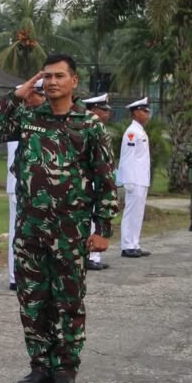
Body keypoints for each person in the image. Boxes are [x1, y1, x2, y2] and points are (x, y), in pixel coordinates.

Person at [0, 53, 118, 383]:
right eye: (47, 77)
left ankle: (65, 367)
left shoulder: (89, 125)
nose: (52, 82)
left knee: (68, 301)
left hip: (70, 231)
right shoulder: (28, 119)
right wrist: (19, 92)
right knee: (33, 299)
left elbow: (105, 179)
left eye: (59, 76)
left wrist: (103, 228)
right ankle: (39, 364)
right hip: (30, 230)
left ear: (74, 82)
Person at [7, 79, 46, 290]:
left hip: (34, 189)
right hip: (18, 186)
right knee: (17, 233)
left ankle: (27, 273)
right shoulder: (20, 121)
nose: (41, 99)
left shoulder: (38, 121)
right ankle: (15, 275)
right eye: (38, 94)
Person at [82, 93, 115, 269]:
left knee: (96, 217)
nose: (107, 114)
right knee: (86, 218)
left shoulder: (100, 129)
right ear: (93, 110)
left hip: (100, 179)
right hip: (89, 181)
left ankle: (93, 256)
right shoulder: (83, 128)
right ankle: (88, 256)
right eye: (103, 110)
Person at [117, 98, 152, 257]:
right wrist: (128, 179)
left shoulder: (140, 131)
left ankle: (134, 243)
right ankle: (126, 245)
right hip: (134, 179)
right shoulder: (132, 132)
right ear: (136, 112)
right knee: (131, 212)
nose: (147, 114)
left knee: (138, 213)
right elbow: (127, 157)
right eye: (145, 111)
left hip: (141, 178)